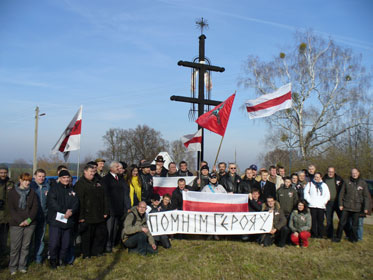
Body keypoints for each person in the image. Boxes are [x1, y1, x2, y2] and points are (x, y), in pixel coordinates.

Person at [47, 170, 79, 269]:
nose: (66, 180)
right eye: (63, 178)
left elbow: (76, 203)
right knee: (54, 243)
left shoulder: (71, 190)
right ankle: (53, 260)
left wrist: (71, 212)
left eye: (67, 178)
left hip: (68, 221)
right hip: (56, 221)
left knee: (65, 243)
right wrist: (64, 211)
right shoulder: (54, 189)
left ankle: (62, 259)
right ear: (60, 179)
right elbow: (52, 203)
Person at [75, 165, 108, 258]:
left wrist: (105, 211)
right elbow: (79, 201)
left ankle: (96, 251)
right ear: (85, 171)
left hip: (98, 214)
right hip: (87, 215)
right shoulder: (80, 184)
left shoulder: (97, 182)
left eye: (94, 172)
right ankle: (86, 254)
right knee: (87, 236)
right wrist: (81, 217)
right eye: (90, 171)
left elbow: (104, 197)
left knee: (99, 235)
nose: (92, 174)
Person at [8, 173, 38, 275]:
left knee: (26, 246)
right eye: (25, 180)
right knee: (15, 247)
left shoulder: (33, 193)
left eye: (29, 181)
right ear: (20, 180)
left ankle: (22, 266)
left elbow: (35, 208)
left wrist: (28, 221)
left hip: (30, 223)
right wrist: (20, 221)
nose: (27, 182)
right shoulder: (12, 193)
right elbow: (11, 209)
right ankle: (13, 266)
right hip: (16, 224)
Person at [333, 168, 370, 243]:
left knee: (355, 225)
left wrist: (366, 207)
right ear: (351, 174)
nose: (354, 174)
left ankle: (354, 239)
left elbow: (366, 196)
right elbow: (341, 194)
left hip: (357, 207)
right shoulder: (346, 182)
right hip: (346, 206)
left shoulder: (363, 183)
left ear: (358, 173)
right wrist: (340, 204)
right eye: (353, 173)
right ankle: (338, 238)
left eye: (355, 173)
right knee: (341, 223)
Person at [102, 161, 131, 253]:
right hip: (111, 209)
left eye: (119, 167)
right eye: (117, 167)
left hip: (119, 208)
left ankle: (113, 243)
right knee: (109, 229)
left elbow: (124, 193)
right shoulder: (106, 179)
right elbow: (105, 195)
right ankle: (107, 245)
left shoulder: (120, 179)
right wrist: (107, 209)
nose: (119, 168)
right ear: (111, 168)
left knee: (115, 229)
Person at [29, 168, 50, 264]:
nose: (41, 178)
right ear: (35, 177)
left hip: (43, 216)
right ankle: (28, 258)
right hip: (31, 217)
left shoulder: (47, 187)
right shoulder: (31, 187)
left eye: (43, 176)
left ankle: (38, 258)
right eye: (39, 176)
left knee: (40, 238)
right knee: (28, 239)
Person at [304, 172, 330, 238]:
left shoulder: (324, 185)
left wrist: (323, 202)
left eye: (318, 177)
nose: (316, 178)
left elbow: (327, 195)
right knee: (313, 221)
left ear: (321, 177)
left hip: (321, 206)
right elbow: (306, 193)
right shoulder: (310, 184)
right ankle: (314, 234)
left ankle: (320, 234)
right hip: (312, 206)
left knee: (320, 221)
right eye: (315, 177)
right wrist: (310, 201)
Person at [323, 167, 344, 238]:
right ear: (327, 171)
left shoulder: (339, 179)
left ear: (334, 172)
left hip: (337, 202)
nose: (330, 173)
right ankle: (330, 235)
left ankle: (342, 233)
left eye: (332, 171)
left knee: (342, 219)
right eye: (329, 171)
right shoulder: (323, 179)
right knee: (329, 220)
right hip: (328, 203)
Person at [0, 165, 14, 258]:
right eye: (1, 173)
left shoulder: (11, 183)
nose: (3, 174)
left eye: (5, 172)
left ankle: (3, 255)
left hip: (7, 214)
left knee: (4, 237)